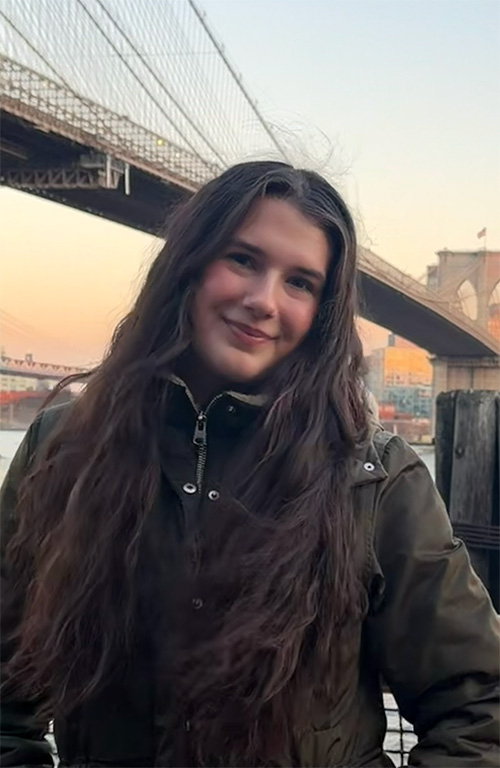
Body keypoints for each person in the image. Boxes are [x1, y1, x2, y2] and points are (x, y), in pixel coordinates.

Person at [1, 161, 498, 768]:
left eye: (300, 283)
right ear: (189, 264)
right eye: (242, 259)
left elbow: (481, 712)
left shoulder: (374, 480)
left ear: (323, 313)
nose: (263, 301)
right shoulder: (65, 449)